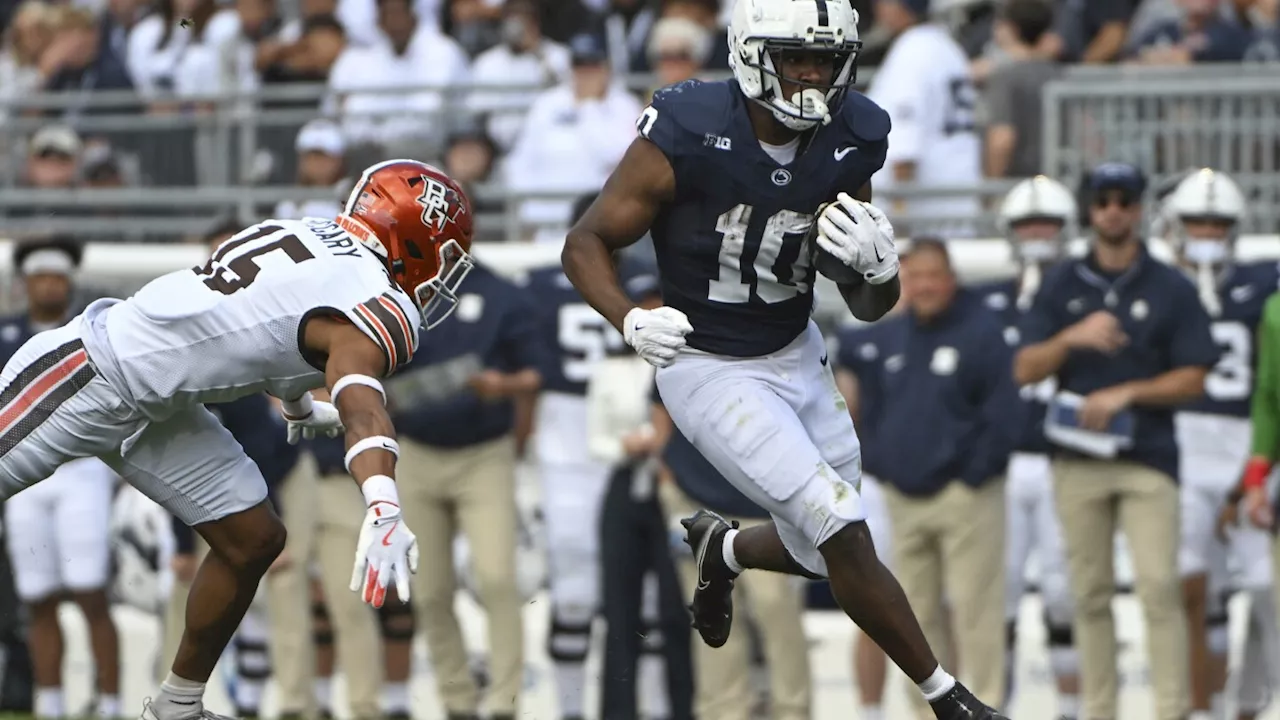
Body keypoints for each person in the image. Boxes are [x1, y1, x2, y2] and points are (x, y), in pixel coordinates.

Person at [560, 0, 1005, 716]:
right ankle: (947, 697)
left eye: (824, 62)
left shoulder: (853, 135)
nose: (810, 77)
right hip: (707, 365)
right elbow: (584, 243)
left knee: (815, 546)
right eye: (795, 59)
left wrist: (881, 270)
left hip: (797, 350)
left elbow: (867, 302)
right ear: (749, 54)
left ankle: (724, 551)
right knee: (841, 528)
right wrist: (629, 318)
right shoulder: (688, 127)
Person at [0, 159, 475, 720]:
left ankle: (176, 706)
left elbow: (263, 321)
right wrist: (384, 504)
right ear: (412, 238)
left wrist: (299, 403)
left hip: (159, 405)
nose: (443, 273)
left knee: (252, 537)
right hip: (90, 371)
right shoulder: (380, 303)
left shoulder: (308, 232)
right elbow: (364, 406)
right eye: (444, 253)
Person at [1013, 162, 1217, 720]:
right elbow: (1025, 368)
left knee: (1158, 588)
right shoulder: (1061, 283)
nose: (1114, 210)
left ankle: (1171, 710)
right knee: (1088, 593)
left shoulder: (1169, 284)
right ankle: (1100, 711)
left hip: (1148, 457)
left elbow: (1195, 374)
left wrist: (1126, 393)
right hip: (1076, 457)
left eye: (1125, 200)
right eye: (1103, 200)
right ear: (1088, 209)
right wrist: (1070, 337)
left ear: (1140, 209)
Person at [841, 238, 1020, 718]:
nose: (923, 286)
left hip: (968, 496)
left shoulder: (982, 332)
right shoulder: (892, 337)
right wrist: (886, 466)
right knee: (914, 616)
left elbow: (1004, 413)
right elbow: (871, 414)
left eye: (932, 276)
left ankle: (989, 705)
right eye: (914, 276)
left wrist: (974, 475)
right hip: (905, 496)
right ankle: (928, 712)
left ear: (951, 280)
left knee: (975, 610)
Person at [380, 258, 543, 720]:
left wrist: (502, 385)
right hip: (417, 452)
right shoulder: (398, 288)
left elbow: (536, 373)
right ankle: (456, 702)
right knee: (429, 589)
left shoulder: (500, 292)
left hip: (484, 454)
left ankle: (504, 703)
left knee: (496, 579)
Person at [1161, 168, 1280, 720]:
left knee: (1262, 586)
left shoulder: (1263, 283)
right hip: (1180, 438)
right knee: (1191, 585)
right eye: (1197, 220)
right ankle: (1200, 706)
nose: (1208, 230)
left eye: (1218, 221)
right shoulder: (1157, 281)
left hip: (1246, 440)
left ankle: (1252, 702)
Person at [525, 193, 646, 720]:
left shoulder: (647, 276)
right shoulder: (543, 287)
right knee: (574, 587)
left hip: (631, 421)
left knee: (639, 590)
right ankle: (571, 707)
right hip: (570, 432)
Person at [0, 238, 121, 720]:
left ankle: (110, 702)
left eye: (58, 277)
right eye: (41, 277)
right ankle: (49, 703)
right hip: (24, 474)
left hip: (82, 468)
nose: (50, 285)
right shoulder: (5, 334)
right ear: (24, 283)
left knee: (90, 588)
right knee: (37, 594)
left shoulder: (89, 329)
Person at [977, 175, 1081, 718]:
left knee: (1067, 595)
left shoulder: (1085, 295)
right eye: (1027, 225)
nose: (1038, 234)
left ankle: (1073, 709)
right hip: (1004, 464)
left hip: (1068, 459)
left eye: (1048, 224)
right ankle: (1001, 705)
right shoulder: (988, 301)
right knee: (1004, 596)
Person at [588, 274, 693, 720]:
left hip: (677, 491)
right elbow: (596, 440)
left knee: (679, 611)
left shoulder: (691, 364)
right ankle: (618, 712)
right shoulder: (610, 368)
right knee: (619, 612)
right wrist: (629, 445)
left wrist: (660, 442)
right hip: (627, 486)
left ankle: (686, 709)